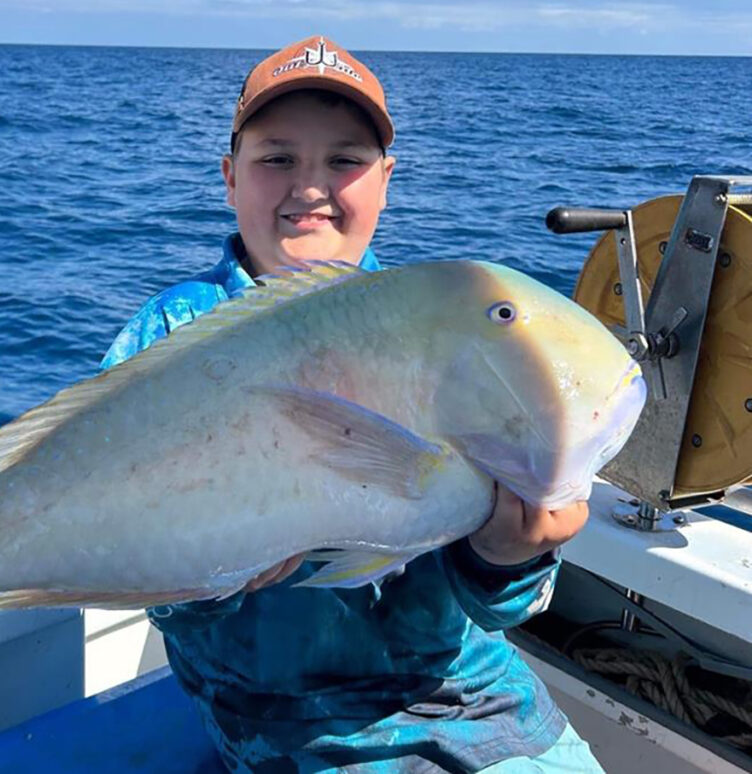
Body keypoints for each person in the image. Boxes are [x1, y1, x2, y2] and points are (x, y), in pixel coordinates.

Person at [100, 35, 603, 774]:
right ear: (229, 176)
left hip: (477, 701)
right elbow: (147, 583)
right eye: (277, 158)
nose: (310, 186)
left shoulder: (443, 330)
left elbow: (497, 607)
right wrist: (211, 573)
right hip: (282, 728)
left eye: (344, 160)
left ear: (386, 181)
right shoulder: (165, 337)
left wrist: (511, 553)